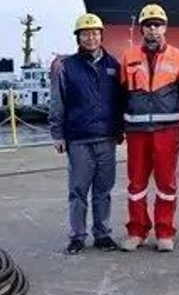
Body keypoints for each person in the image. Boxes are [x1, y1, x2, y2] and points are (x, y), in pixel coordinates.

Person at [48, 13, 124, 254]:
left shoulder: (113, 66)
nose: (90, 38)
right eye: (85, 34)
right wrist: (57, 134)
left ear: (101, 36)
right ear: (78, 38)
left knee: (103, 191)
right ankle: (77, 237)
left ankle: (103, 235)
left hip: (106, 138)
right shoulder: (67, 67)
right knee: (78, 191)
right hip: (79, 139)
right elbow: (57, 101)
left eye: (95, 33)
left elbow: (120, 101)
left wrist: (119, 129)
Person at [119, 3, 179, 252]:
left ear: (165, 28)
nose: (153, 29)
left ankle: (165, 232)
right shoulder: (128, 57)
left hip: (166, 130)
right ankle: (137, 231)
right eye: (149, 25)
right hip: (136, 131)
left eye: (158, 25)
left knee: (166, 184)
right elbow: (122, 93)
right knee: (136, 185)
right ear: (142, 29)